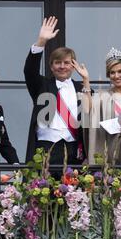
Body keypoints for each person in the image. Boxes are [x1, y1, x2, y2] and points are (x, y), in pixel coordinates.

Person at [23, 16, 91, 166]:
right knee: (42, 189)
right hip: (45, 149)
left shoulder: (81, 89)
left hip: (74, 150)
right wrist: (41, 41)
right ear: (51, 66)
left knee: (73, 190)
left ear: (73, 66)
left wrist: (86, 80)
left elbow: (88, 113)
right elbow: (30, 70)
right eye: (57, 63)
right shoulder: (41, 85)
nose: (62, 66)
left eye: (66, 63)